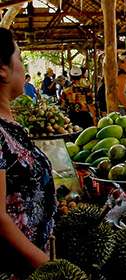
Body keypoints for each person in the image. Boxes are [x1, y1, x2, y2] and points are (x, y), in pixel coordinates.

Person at [0, 27, 56, 279]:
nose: (24, 68)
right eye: (20, 59)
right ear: (2, 70)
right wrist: (50, 268)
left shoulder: (8, 124)